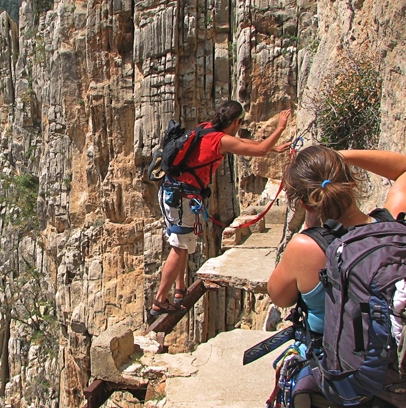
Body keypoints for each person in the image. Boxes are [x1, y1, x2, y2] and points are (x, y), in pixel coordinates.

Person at [149, 100, 292, 316]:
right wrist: (280, 127)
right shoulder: (221, 141)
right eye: (240, 123)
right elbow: (258, 150)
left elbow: (242, 142)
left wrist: (273, 147)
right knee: (179, 247)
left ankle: (179, 290)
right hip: (182, 198)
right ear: (235, 122)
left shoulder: (207, 128)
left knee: (182, 242)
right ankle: (159, 301)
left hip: (172, 192)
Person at [268, 146, 406, 333]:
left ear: (306, 206)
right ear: (351, 183)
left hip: (338, 360)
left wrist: (310, 229)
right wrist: (339, 156)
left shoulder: (304, 248)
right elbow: (403, 168)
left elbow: (279, 297)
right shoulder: (394, 223)